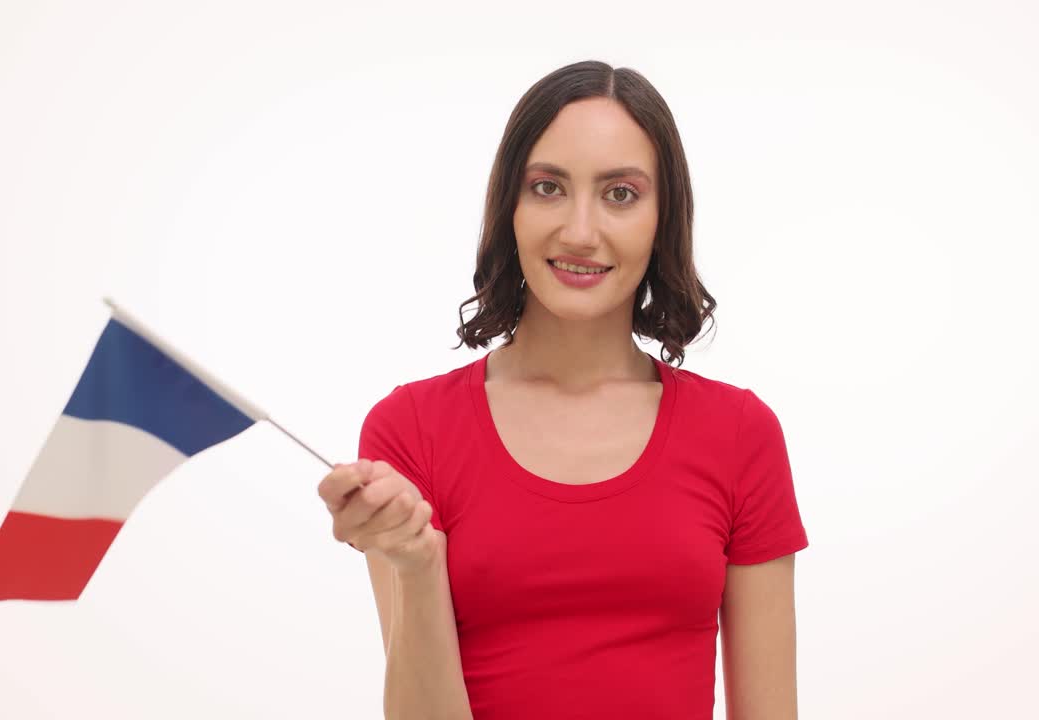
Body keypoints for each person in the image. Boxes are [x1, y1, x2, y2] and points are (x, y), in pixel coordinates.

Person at [317, 59, 808, 720]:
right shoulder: (411, 429)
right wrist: (417, 564)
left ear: (663, 218)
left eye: (621, 194)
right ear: (509, 208)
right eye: (548, 188)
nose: (580, 231)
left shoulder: (740, 434)